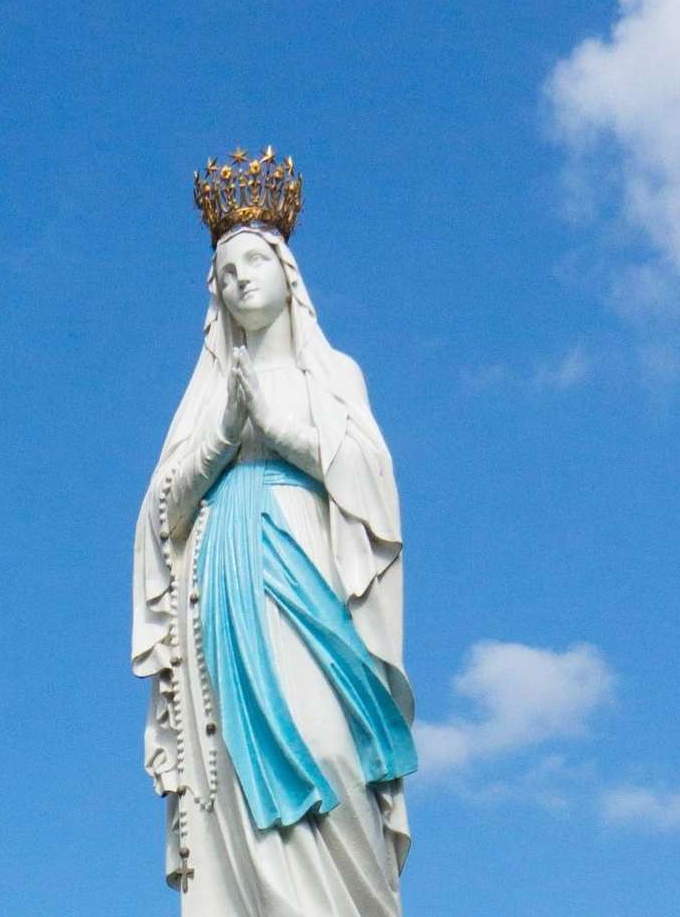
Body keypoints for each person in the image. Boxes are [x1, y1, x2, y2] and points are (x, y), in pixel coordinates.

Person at [132, 148, 417, 916]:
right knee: (232, 775)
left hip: (307, 567)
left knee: (329, 748)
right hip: (224, 581)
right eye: (224, 272)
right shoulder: (204, 397)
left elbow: (373, 483)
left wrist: (280, 429)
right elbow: (162, 514)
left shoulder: (334, 375)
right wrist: (225, 433)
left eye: (253, 261)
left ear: (288, 273)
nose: (239, 279)